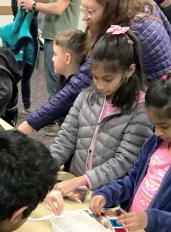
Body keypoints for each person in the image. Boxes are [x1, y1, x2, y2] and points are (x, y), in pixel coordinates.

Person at [18, 0, 171, 135]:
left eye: (91, 11)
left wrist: (30, 124)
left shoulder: (126, 31)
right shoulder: (144, 5)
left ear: (110, 7)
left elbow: (77, 85)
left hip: (160, 102)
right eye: (83, 9)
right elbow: (168, 30)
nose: (85, 17)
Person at [50, 26, 153, 197]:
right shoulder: (86, 96)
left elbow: (124, 161)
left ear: (130, 70)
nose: (99, 86)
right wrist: (46, 168)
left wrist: (82, 180)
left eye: (108, 79)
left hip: (107, 196)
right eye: (95, 77)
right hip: (78, 188)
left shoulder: (140, 109)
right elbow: (66, 137)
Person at [90, 70, 171, 232]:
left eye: (164, 126)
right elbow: (132, 180)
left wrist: (151, 219)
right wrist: (106, 193)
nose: (157, 132)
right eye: (154, 125)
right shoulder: (154, 144)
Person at [18, 0, 81, 99]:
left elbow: (58, 8)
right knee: (56, 85)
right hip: (56, 37)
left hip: (60, 40)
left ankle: (55, 110)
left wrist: (33, 5)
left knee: (55, 86)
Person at [11, 0, 38, 114]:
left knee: (26, 76)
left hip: (32, 43)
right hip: (19, 42)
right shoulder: (16, 3)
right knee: (14, 76)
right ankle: (10, 104)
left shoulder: (33, 4)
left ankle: (26, 106)